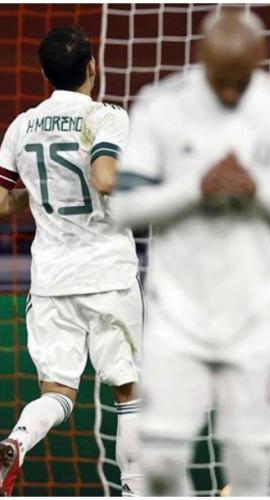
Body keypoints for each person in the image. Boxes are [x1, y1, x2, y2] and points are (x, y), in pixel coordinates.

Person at [110, 11, 270, 496]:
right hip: (178, 313)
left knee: (252, 464)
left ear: (260, 61)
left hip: (256, 315)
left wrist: (258, 189)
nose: (230, 92)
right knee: (165, 463)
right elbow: (127, 205)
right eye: (220, 79)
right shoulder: (161, 107)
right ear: (202, 60)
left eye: (241, 80)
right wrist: (198, 186)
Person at [0, 26, 143, 496]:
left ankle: (17, 442)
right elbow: (104, 179)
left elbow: (2, 204)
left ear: (43, 73)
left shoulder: (21, 124)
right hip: (106, 275)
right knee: (130, 394)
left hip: (50, 280)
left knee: (57, 393)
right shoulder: (105, 118)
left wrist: (38, 197)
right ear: (92, 68)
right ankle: (136, 489)